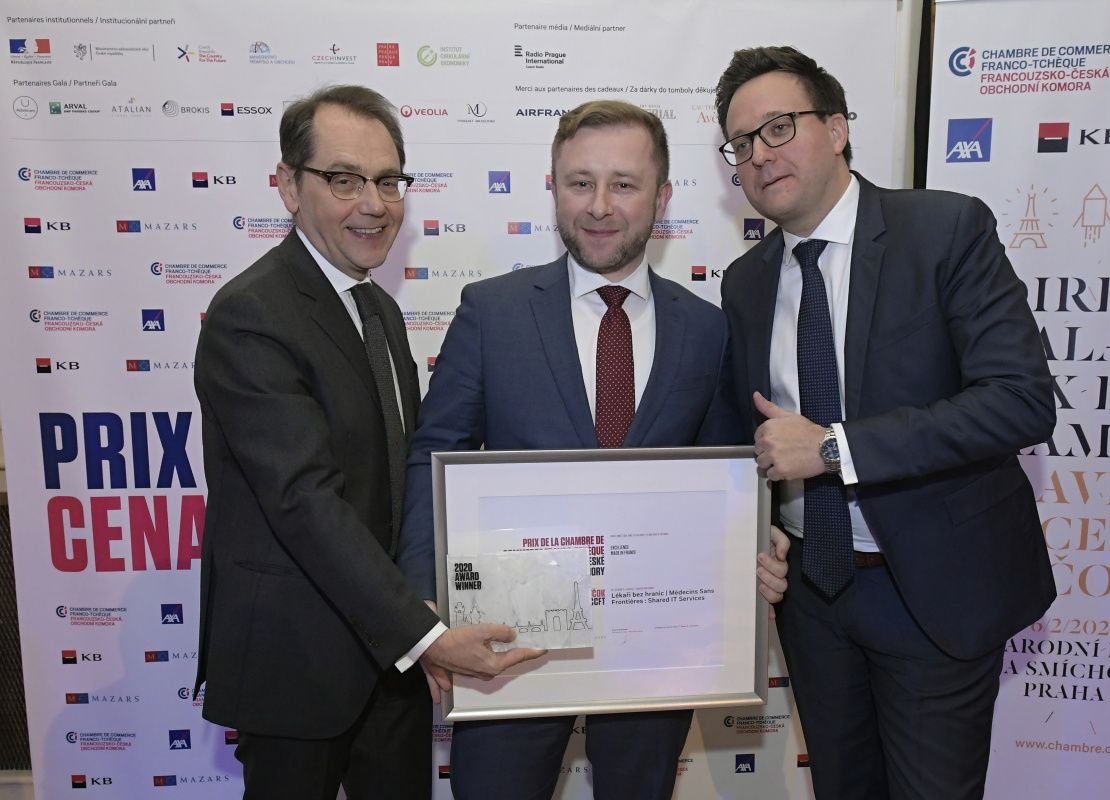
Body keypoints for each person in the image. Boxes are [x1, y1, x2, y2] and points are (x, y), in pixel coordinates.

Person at [715, 47, 1057, 800]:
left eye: (778, 128)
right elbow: (756, 438)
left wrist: (835, 448)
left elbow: (1020, 399)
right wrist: (761, 524)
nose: (758, 155)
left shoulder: (943, 230)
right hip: (814, 600)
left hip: (933, 589)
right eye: (740, 143)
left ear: (837, 128)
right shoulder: (744, 284)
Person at [194, 84, 541, 800]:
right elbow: (303, 500)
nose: (374, 204)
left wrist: (426, 617)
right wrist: (426, 634)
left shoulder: (378, 308)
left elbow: (398, 481)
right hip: (297, 670)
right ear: (288, 185)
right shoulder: (251, 315)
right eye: (344, 180)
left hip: (393, 664)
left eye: (388, 181)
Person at [400, 99, 741, 800]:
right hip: (510, 640)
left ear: (662, 198)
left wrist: (750, 550)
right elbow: (434, 457)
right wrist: (423, 606)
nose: (600, 206)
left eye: (624, 184)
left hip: (654, 644)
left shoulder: (707, 330)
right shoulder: (492, 313)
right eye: (581, 182)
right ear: (554, 188)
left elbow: (722, 485)